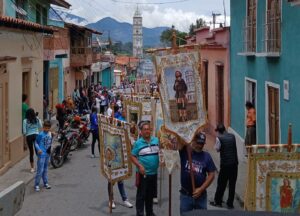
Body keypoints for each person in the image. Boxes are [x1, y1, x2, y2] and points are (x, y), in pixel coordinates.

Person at [178, 132, 216, 214]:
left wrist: (201, 189)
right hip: (186, 196)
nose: (200, 145)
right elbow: (180, 140)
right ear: (193, 141)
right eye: (198, 142)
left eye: (202, 143)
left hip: (201, 197)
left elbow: (212, 174)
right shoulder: (185, 151)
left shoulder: (207, 156)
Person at [131, 121, 159, 216]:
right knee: (141, 196)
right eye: (145, 129)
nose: (147, 131)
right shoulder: (138, 143)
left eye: (148, 129)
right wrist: (139, 166)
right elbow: (133, 156)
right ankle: (139, 213)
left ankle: (149, 212)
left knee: (150, 195)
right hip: (143, 174)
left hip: (153, 174)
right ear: (141, 132)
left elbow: (161, 151)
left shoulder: (156, 140)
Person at [107, 108, 133, 209]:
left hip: (121, 156)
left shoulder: (125, 123)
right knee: (111, 180)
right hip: (112, 156)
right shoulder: (115, 123)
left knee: (121, 179)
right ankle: (111, 199)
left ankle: (124, 199)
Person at [210, 124, 238, 209]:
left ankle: (218, 201)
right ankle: (230, 204)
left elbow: (217, 149)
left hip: (225, 165)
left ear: (219, 131)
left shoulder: (219, 138)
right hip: (234, 164)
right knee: (232, 184)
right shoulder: (232, 136)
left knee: (221, 183)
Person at [34, 120, 53, 192]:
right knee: (40, 170)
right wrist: (38, 149)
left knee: (45, 169)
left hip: (47, 154)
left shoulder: (50, 134)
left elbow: (50, 142)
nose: (47, 129)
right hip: (41, 154)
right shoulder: (40, 134)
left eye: (48, 128)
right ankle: (36, 184)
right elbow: (36, 143)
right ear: (43, 127)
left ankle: (46, 183)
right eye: (45, 128)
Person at [23, 108, 42, 173]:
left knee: (31, 152)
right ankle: (39, 166)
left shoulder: (25, 120)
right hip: (36, 135)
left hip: (29, 136)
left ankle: (32, 168)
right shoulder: (36, 119)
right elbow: (40, 126)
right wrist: (38, 118)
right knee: (38, 151)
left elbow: (24, 132)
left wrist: (24, 142)